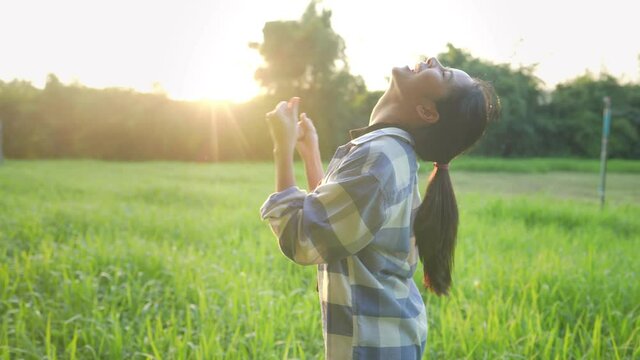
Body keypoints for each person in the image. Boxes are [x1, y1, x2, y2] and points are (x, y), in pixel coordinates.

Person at [259, 57, 499, 359]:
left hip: (374, 348)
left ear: (427, 111)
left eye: (444, 74)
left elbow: (303, 239)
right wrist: (309, 152)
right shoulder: (388, 152)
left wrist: (281, 148)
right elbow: (340, 222)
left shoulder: (380, 157)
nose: (434, 60)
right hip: (386, 341)